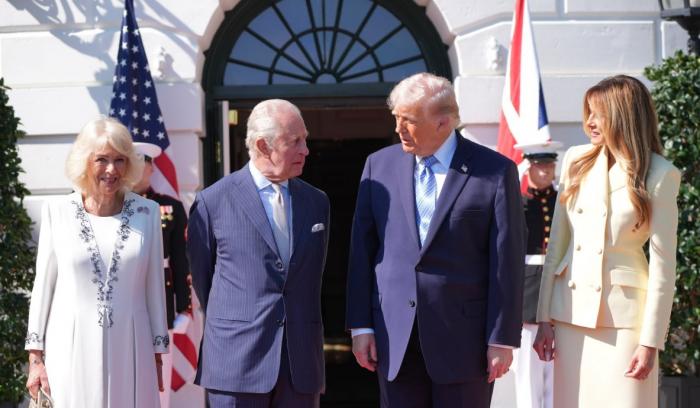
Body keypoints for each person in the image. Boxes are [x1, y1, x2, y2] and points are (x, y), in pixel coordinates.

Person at [346, 72, 525, 407]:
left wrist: (501, 338)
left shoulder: (495, 171)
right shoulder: (378, 166)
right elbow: (362, 251)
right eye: (396, 118)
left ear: (443, 123)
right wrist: (360, 326)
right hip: (394, 337)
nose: (398, 128)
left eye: (409, 120)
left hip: (464, 342)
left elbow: (507, 260)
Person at [533, 75, 681, 407]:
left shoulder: (660, 173)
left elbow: (663, 266)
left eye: (598, 114)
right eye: (588, 112)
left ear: (624, 116)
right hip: (570, 315)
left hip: (626, 322)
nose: (589, 122)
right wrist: (544, 318)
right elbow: (557, 245)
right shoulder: (576, 160)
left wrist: (650, 341)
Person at [187, 99, 330, 407]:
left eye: (305, 139)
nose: (306, 150)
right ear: (264, 146)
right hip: (236, 364)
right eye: (295, 141)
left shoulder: (317, 202)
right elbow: (204, 280)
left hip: (300, 365)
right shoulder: (213, 202)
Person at [25, 117, 169, 407]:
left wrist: (157, 353)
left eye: (119, 160)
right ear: (84, 162)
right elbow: (43, 286)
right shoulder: (57, 211)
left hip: (132, 346)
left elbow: (155, 287)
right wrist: (35, 358)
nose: (111, 169)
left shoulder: (148, 212)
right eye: (101, 159)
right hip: (69, 345)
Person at [133, 142, 192, 408]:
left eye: (142, 164)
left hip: (162, 303)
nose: (137, 171)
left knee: (160, 384)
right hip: (124, 305)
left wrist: (184, 308)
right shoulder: (114, 206)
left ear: (151, 168)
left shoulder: (170, 207)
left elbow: (182, 261)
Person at [510, 142, 561, 408]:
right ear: (529, 167)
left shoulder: (563, 201)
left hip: (560, 286)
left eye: (550, 165)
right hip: (529, 289)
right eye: (540, 166)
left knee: (559, 373)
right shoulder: (517, 203)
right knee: (528, 371)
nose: (546, 171)